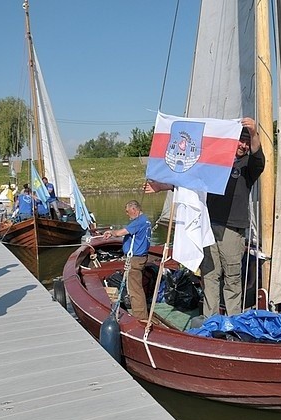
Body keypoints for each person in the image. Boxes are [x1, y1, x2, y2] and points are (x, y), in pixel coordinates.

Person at [145, 117, 265, 317]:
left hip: (232, 229)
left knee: (232, 277)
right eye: (240, 140)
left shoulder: (247, 166)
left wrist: (253, 132)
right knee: (209, 274)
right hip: (207, 226)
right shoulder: (212, 163)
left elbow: (258, 158)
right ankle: (211, 319)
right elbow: (189, 183)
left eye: (246, 142)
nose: (243, 145)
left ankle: (233, 320)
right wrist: (161, 186)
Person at [103, 200, 152, 321]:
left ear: (134, 210)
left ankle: (141, 318)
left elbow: (121, 233)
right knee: (135, 287)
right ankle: (141, 314)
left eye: (128, 211)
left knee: (135, 289)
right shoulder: (146, 220)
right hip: (141, 257)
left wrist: (111, 232)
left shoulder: (138, 222)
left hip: (135, 259)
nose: (127, 214)